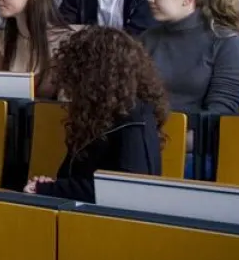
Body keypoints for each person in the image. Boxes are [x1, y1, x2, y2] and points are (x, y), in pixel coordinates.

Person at [26, 27, 166, 202]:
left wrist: (51, 188)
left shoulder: (135, 122)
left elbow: (129, 192)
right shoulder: (99, 114)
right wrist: (52, 186)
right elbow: (74, 179)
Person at [141, 0, 239, 114]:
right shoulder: (146, 39)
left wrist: (185, 135)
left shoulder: (225, 42)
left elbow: (223, 108)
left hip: (198, 135)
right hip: (148, 133)